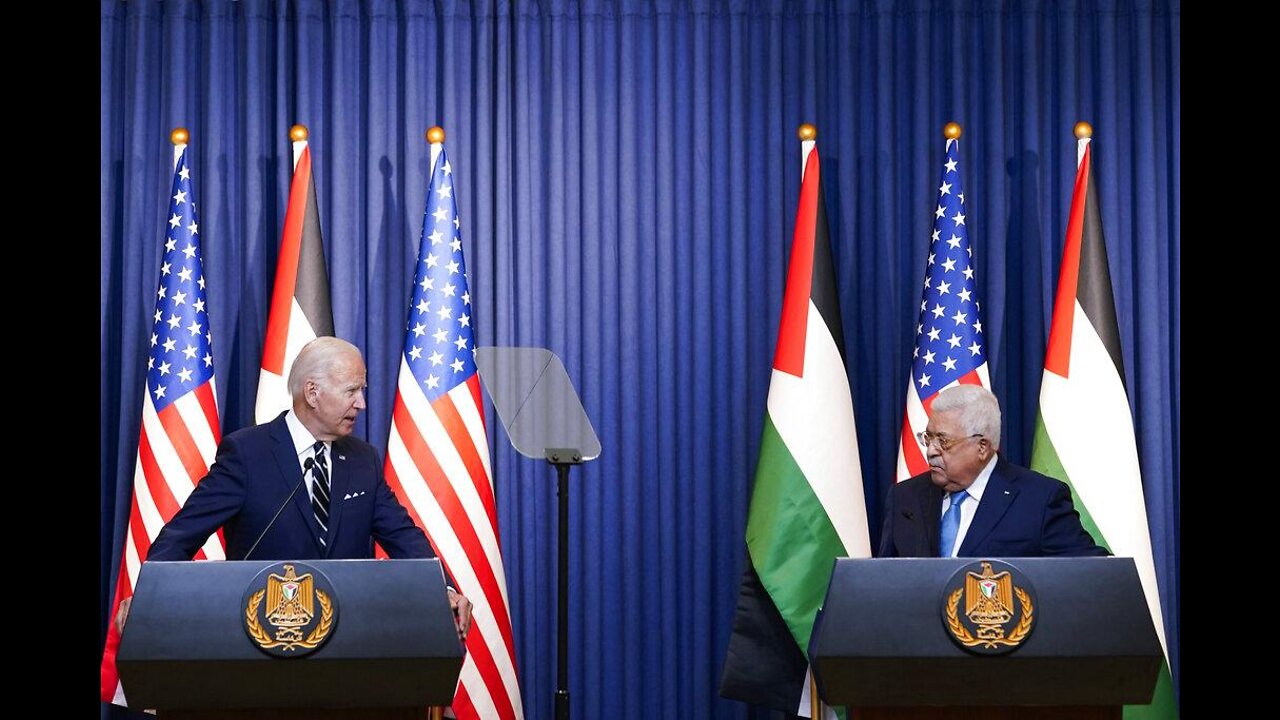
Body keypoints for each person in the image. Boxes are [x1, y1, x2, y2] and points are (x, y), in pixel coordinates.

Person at [137, 337, 472, 637]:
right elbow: (180, 537)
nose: (362, 404)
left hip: (348, 645)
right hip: (262, 643)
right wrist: (145, 601)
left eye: (362, 391)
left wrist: (443, 589)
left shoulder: (362, 460)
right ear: (313, 393)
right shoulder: (247, 455)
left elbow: (403, 537)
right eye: (352, 391)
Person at [878, 385, 1107, 558]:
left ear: (982, 447)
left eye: (943, 441)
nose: (931, 451)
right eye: (928, 438)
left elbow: (1088, 574)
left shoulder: (1039, 500)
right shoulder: (905, 497)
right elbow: (884, 581)